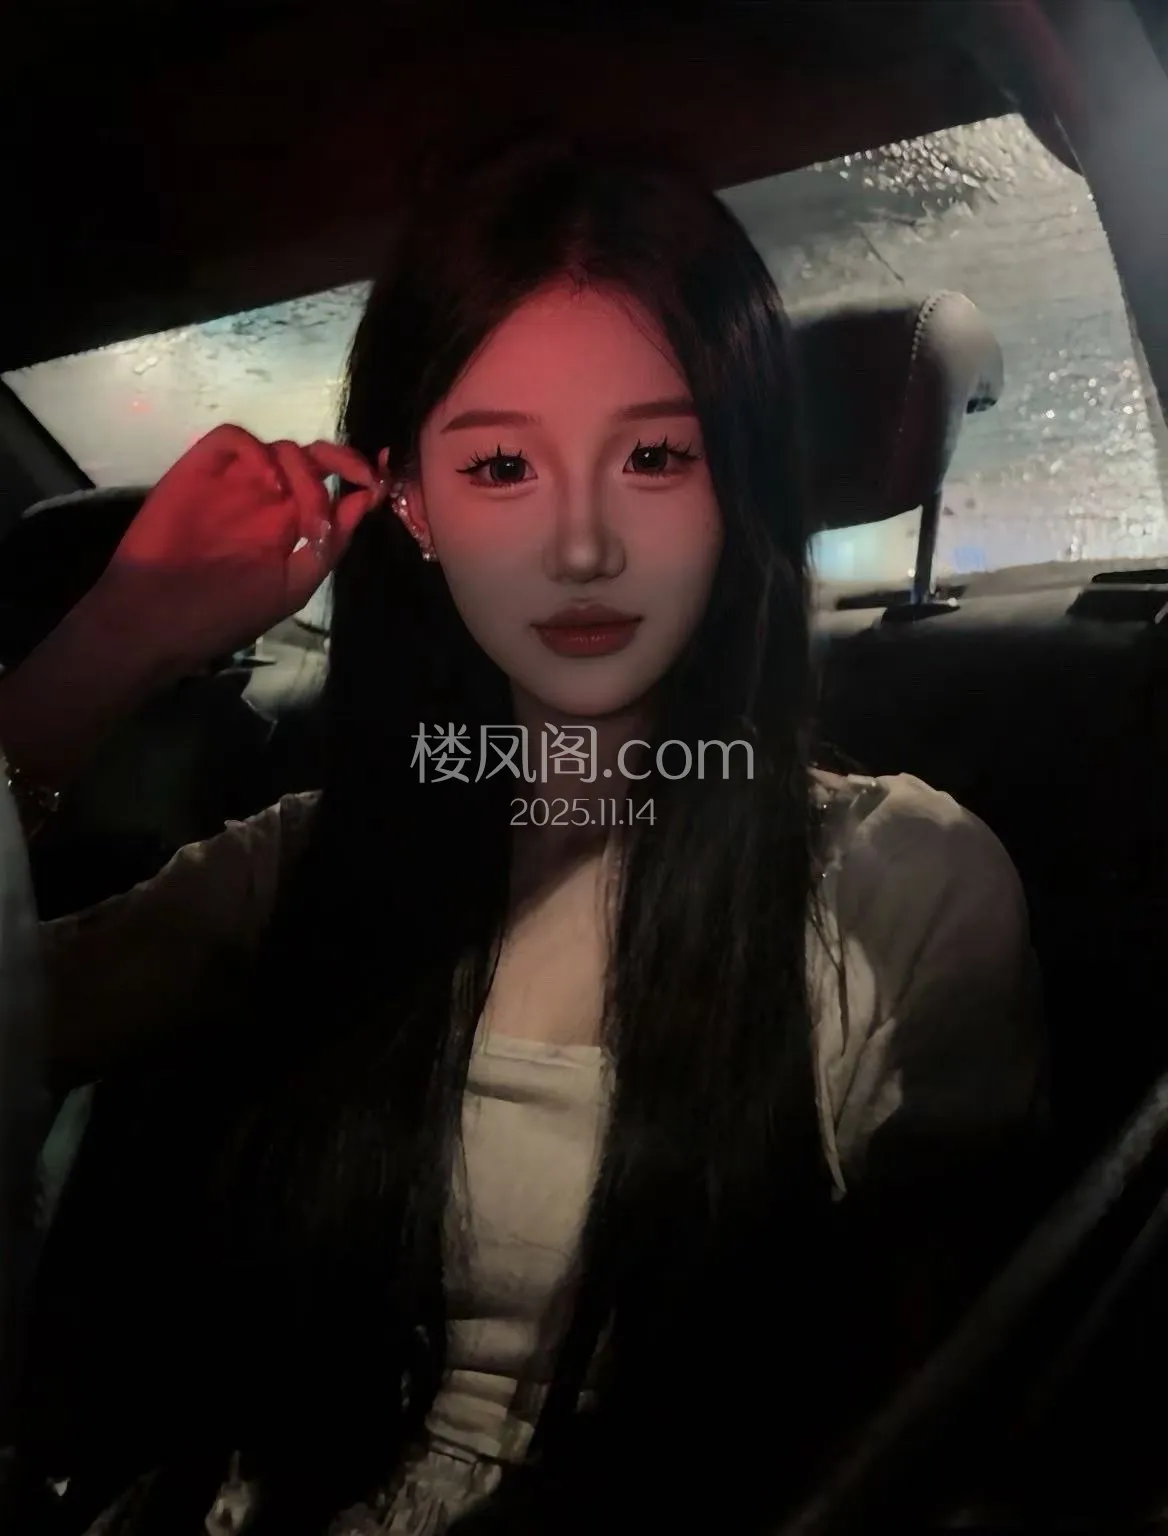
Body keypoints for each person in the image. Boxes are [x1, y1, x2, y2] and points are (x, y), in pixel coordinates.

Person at [0, 135, 1044, 1535]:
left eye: (656, 455)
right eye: (501, 465)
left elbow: (948, 1436)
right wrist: (105, 648)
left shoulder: (897, 887)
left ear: (738, 484)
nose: (583, 545)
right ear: (412, 507)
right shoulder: (312, 860)